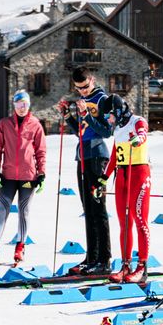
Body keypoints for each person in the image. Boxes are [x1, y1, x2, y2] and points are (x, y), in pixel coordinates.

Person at [64, 70, 120, 277]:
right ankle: (92, 256)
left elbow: (107, 131)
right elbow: (81, 129)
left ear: (93, 81)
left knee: (98, 208)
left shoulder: (101, 99)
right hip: (83, 156)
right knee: (87, 208)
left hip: (97, 155)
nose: (82, 91)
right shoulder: (83, 99)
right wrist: (69, 117)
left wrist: (87, 114)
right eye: (78, 88)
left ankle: (104, 259)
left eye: (85, 87)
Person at [0, 89, 46, 268]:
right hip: (8, 176)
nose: (22, 108)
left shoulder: (35, 125)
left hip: (29, 177)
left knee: (23, 211)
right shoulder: (4, 124)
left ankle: (20, 246)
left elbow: (41, 151)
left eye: (25, 104)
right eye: (19, 105)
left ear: (29, 105)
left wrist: (41, 173)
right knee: (2, 212)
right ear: (14, 106)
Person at [111, 113, 154, 278]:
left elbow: (143, 131)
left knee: (140, 220)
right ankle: (125, 266)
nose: (108, 118)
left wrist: (139, 138)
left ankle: (142, 267)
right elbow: (115, 155)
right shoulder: (118, 129)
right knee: (124, 223)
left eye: (110, 114)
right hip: (122, 175)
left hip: (139, 174)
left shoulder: (137, 120)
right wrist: (103, 178)